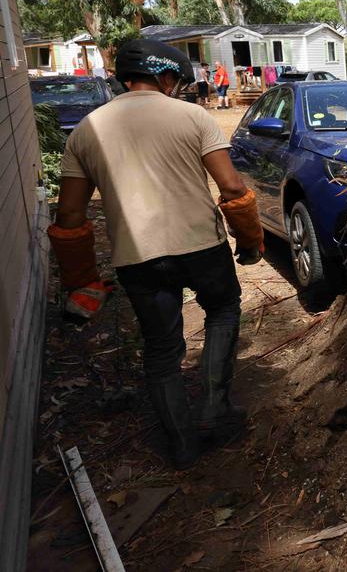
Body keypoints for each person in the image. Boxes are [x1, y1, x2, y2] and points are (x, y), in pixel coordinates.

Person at [47, 40, 264, 469]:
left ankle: (182, 443)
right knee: (222, 311)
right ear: (164, 76)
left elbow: (70, 212)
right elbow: (234, 187)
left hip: (137, 257)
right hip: (201, 245)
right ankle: (214, 409)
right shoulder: (193, 116)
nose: (177, 89)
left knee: (161, 348)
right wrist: (250, 239)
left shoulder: (87, 129)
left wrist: (82, 280)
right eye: (176, 81)